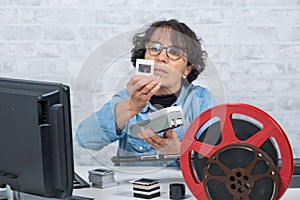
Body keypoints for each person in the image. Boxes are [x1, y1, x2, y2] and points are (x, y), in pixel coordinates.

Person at [76, 19, 215, 167]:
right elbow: (85, 140)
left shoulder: (200, 100)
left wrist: (180, 152)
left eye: (174, 52)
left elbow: (216, 161)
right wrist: (131, 107)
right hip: (132, 187)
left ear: (187, 70)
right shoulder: (127, 98)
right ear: (143, 58)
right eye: (155, 48)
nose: (161, 57)